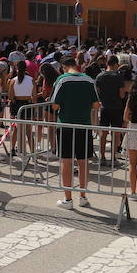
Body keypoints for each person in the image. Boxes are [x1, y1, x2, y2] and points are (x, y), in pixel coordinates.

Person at [50, 54, 99, 210]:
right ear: (76, 65)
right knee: (83, 162)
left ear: (63, 67)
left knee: (66, 161)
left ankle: (68, 199)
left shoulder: (62, 80)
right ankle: (83, 197)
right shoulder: (89, 80)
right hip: (84, 125)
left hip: (65, 125)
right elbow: (97, 105)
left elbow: (55, 105)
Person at [94, 56, 127, 167]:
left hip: (104, 107)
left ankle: (102, 157)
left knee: (103, 133)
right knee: (115, 134)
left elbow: (97, 92)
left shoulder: (99, 76)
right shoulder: (118, 76)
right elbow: (122, 94)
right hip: (116, 107)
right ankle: (113, 158)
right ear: (115, 64)